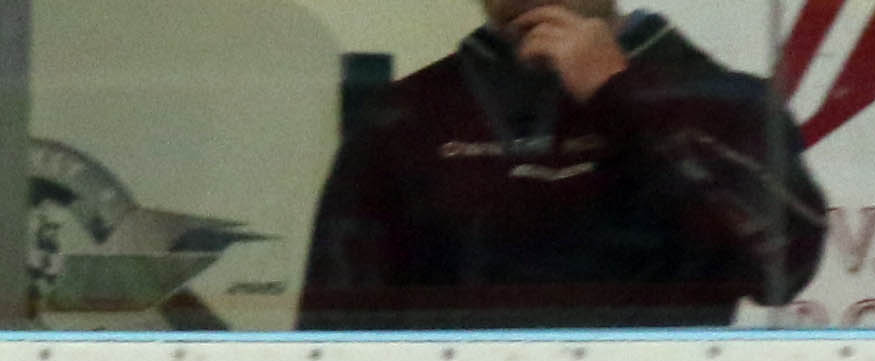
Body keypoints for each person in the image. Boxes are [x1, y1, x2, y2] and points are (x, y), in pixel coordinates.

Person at [297, 0, 821, 330]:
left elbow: (783, 267)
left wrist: (621, 89)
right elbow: (332, 336)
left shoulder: (722, 100)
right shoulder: (406, 116)